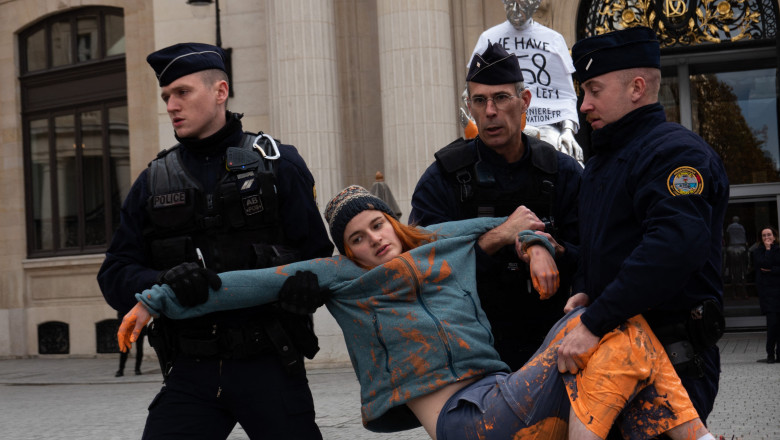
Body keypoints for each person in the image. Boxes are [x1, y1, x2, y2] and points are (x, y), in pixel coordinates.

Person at [119, 185, 716, 440]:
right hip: (466, 422)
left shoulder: (440, 243)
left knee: (606, 323)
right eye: (356, 236)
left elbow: (520, 220)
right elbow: (242, 286)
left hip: (506, 395)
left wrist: (534, 246)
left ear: (392, 220)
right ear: (345, 249)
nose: (373, 240)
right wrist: (153, 301)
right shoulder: (344, 279)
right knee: (613, 332)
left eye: (376, 224)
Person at [96, 42, 334, 439]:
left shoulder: (277, 165)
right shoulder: (154, 181)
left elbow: (318, 256)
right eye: (166, 96)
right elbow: (115, 273)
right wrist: (164, 278)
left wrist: (307, 289)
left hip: (270, 362)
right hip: (191, 371)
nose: (171, 105)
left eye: (182, 93)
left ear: (220, 92)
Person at [559, 26, 729, 426]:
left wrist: (594, 320)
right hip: (617, 358)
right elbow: (601, 242)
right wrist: (585, 287)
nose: (584, 105)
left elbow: (672, 250)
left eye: (594, 90)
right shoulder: (605, 160)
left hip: (672, 361)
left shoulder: (675, 153)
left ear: (636, 88)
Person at [410, 42, 583, 370]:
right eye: (480, 100)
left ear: (524, 101)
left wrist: (543, 246)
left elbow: (592, 256)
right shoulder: (442, 179)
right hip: (473, 355)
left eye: (501, 98)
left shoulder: (562, 172)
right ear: (469, 107)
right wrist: (500, 236)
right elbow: (424, 267)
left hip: (554, 348)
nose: (490, 111)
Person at [466, 0, 583, 164]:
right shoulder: (488, 39)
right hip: (503, 124)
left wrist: (568, 131)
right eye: (509, 4)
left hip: (546, 126)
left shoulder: (554, 39)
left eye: (521, 5)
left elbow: (566, 94)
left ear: (535, 5)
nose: (514, 10)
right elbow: (472, 89)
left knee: (568, 161)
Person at [751, 226, 780, 364]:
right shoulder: (758, 252)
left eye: (769, 234)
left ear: (774, 236)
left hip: (778, 291)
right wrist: (768, 250)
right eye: (764, 235)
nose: (767, 237)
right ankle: (770, 355)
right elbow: (763, 265)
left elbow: (769, 268)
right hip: (768, 294)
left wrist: (771, 270)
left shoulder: (779, 250)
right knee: (772, 324)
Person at [115, 309, 146, 377]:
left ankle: (137, 369)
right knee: (124, 349)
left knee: (139, 349)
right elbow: (120, 315)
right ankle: (121, 370)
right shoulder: (124, 303)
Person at [725, 216, 749, 298]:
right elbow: (744, 237)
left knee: (732, 270)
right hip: (741, 248)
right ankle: (744, 292)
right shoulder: (741, 227)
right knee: (742, 270)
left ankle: (734, 293)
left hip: (731, 248)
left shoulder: (730, 227)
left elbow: (727, 237)